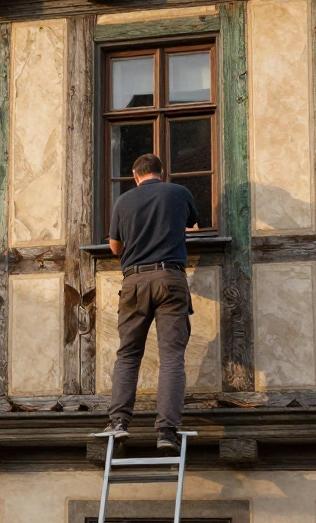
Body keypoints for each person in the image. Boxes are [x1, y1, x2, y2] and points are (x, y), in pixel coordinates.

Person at [101, 154, 198, 453]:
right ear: (161, 172)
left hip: (134, 282)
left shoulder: (123, 201)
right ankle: (167, 431)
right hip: (170, 277)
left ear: (135, 174)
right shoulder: (179, 193)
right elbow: (192, 226)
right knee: (171, 356)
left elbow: (115, 247)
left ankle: (119, 423)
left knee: (128, 355)